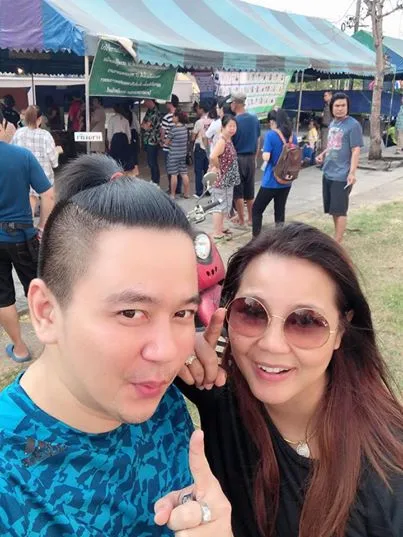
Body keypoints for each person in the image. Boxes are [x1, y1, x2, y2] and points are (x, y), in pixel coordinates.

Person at [0, 153, 232, 537]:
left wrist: (216, 397)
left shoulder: (162, 401)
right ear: (45, 312)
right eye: (130, 313)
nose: (166, 352)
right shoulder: (10, 483)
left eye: (181, 313)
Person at [178, 222, 403, 537]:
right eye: (252, 312)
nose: (272, 344)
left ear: (342, 329)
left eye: (306, 321)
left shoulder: (388, 475)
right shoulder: (218, 387)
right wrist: (180, 344)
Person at [0, 108, 54, 363]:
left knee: (3, 296)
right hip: (22, 235)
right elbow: (48, 194)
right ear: (3, 125)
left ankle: (20, 348)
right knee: (39, 289)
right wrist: (41, 226)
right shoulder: (21, 156)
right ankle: (52, 347)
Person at [316, 93, 363, 243]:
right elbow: (333, 144)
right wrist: (323, 154)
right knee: (334, 210)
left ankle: (337, 242)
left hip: (342, 175)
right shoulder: (333, 123)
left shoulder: (353, 125)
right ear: (332, 107)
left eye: (343, 105)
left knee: (340, 210)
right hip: (328, 172)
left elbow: (356, 150)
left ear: (348, 107)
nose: (340, 108)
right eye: (337, 105)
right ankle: (337, 237)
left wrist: (352, 173)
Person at [252, 109, 296, 236]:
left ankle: (256, 238)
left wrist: (264, 151)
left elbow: (266, 157)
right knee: (280, 211)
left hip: (271, 180)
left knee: (257, 209)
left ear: (273, 121)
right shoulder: (292, 136)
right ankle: (280, 238)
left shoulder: (271, 135)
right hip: (287, 180)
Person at [12, 105, 61, 217]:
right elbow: (53, 160)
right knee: (47, 199)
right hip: (44, 175)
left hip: (25, 174)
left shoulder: (19, 133)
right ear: (39, 119)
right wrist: (57, 153)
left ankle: (29, 224)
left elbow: (13, 152)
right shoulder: (46, 135)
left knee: (31, 199)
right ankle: (43, 225)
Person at [229, 93, 261, 228]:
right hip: (251, 158)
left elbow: (229, 142)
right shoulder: (254, 119)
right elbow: (258, 140)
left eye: (231, 103)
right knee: (249, 191)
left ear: (235, 104)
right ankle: (251, 219)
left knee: (238, 193)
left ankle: (242, 220)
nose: (230, 105)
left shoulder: (234, 122)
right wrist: (255, 157)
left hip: (238, 158)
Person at [208, 115, 240, 241]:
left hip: (227, 179)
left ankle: (220, 228)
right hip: (221, 179)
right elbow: (213, 156)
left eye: (234, 126)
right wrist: (218, 168)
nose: (232, 129)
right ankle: (217, 232)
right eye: (229, 126)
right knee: (219, 205)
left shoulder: (228, 139)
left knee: (224, 204)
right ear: (223, 127)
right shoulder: (222, 140)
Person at [166, 110, 191, 199]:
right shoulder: (185, 128)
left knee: (174, 175)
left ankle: (173, 194)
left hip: (173, 155)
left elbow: (167, 142)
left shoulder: (173, 129)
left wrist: (170, 143)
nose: (172, 118)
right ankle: (187, 193)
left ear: (177, 117)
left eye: (173, 116)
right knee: (184, 173)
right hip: (183, 154)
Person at [161, 94, 182, 194]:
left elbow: (163, 132)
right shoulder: (181, 115)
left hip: (168, 148)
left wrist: (162, 141)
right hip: (179, 148)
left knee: (170, 170)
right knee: (180, 169)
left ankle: (172, 189)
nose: (165, 104)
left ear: (170, 103)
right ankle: (178, 189)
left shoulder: (167, 117)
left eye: (167, 102)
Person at [192, 102, 212, 197]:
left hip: (200, 147)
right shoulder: (212, 120)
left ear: (202, 109)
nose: (197, 110)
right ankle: (209, 190)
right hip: (210, 147)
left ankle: (199, 192)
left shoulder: (199, 122)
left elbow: (193, 137)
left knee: (198, 170)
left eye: (198, 108)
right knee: (208, 169)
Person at [141, 99, 162, 185]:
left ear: (150, 101)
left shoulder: (155, 112)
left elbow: (145, 126)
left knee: (152, 162)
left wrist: (145, 125)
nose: (144, 103)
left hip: (153, 140)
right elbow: (143, 124)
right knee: (150, 162)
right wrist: (145, 125)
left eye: (145, 101)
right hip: (147, 139)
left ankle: (155, 180)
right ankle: (154, 179)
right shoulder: (149, 111)